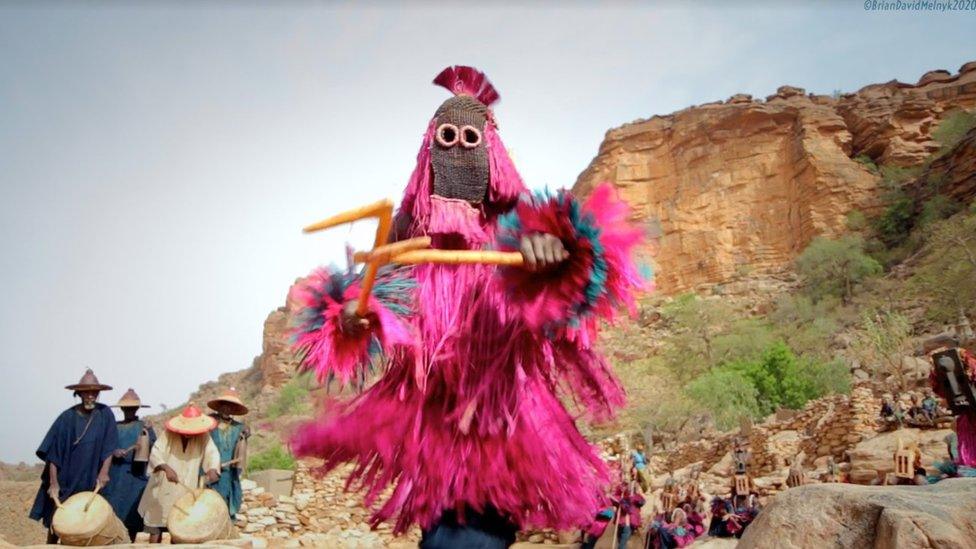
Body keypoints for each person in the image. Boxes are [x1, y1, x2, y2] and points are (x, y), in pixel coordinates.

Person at [288, 66, 646, 546]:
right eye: (447, 136)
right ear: (429, 149)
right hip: (429, 424)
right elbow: (360, 316)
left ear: (492, 152)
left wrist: (556, 260)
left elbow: (578, 290)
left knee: (470, 534)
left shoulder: (521, 230)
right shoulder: (404, 238)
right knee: (441, 533)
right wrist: (351, 318)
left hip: (500, 422)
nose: (458, 147)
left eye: (470, 136)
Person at [29, 369, 119, 544]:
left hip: (92, 478)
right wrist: (54, 483)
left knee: (91, 522)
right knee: (59, 521)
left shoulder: (105, 414)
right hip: (67, 481)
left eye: (94, 392)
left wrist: (104, 472)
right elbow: (53, 455)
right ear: (79, 393)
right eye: (87, 392)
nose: (91, 396)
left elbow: (109, 447)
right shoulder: (66, 418)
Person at [138, 404, 220, 544]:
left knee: (179, 526)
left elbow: (212, 453)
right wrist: (166, 468)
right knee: (156, 524)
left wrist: (212, 469)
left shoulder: (204, 436)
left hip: (186, 487)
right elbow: (156, 452)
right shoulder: (168, 434)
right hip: (163, 486)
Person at [104, 388, 156, 542]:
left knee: (133, 515)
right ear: (122, 408)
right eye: (127, 408)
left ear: (137, 408)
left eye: (132, 408)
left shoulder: (144, 427)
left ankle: (131, 542)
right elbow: (104, 447)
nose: (129, 411)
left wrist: (146, 441)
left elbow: (154, 448)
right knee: (113, 514)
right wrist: (114, 452)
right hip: (115, 475)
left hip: (136, 476)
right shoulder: (113, 427)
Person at [207, 387, 250, 518]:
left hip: (228, 471)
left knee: (226, 498)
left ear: (234, 410)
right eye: (224, 406)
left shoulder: (238, 427)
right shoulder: (210, 423)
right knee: (209, 500)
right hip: (210, 469)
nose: (227, 409)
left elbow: (244, 437)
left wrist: (247, 432)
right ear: (219, 407)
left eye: (230, 407)